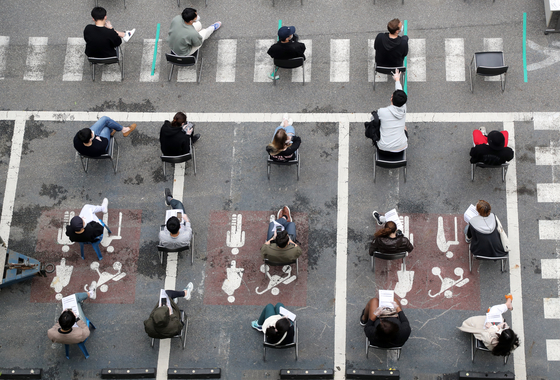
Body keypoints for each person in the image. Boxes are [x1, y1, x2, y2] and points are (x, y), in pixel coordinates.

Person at [376, 69, 408, 154]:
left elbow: (373, 120)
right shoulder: (404, 108)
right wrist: (397, 80)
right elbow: (400, 92)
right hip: (401, 147)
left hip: (383, 148)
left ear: (391, 98)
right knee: (404, 127)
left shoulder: (382, 111)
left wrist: (397, 79)